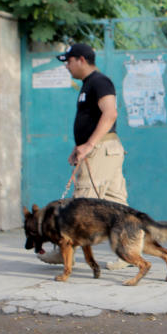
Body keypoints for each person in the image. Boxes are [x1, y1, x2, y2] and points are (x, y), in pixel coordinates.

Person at [39, 42, 129, 267]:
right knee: (116, 203)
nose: (67, 67)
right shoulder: (89, 84)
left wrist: (88, 145)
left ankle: (64, 252)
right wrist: (80, 145)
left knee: (79, 206)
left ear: (81, 59)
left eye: (68, 62)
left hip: (101, 150)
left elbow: (110, 113)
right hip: (104, 149)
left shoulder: (99, 81)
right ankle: (128, 253)